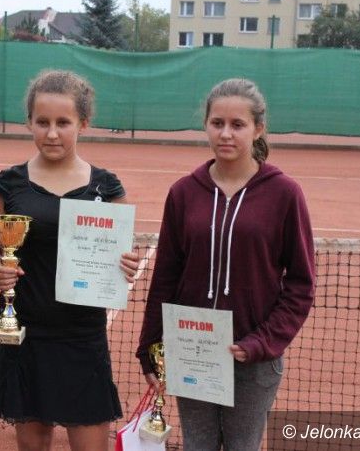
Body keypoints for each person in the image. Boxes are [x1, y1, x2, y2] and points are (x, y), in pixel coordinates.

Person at [137, 78, 315, 450]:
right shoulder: (184, 193)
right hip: (193, 350)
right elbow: (166, 274)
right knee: (198, 445)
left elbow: (301, 283)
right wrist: (150, 344)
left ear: (258, 128)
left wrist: (261, 342)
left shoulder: (285, 193)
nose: (226, 134)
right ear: (206, 125)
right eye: (217, 123)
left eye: (238, 125)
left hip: (253, 359)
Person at [0, 70, 140, 451]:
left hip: (82, 336)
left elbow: (120, 256)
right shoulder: (8, 184)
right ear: (29, 123)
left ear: (83, 123)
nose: (52, 133)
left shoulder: (106, 188)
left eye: (63, 123)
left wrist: (126, 265)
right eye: (43, 122)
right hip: (25, 333)